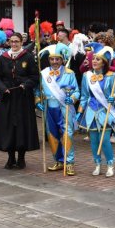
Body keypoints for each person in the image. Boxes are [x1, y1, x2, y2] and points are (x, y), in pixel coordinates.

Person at [0, 32, 40, 169]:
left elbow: (35, 76)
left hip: (23, 97)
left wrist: (26, 84)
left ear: (21, 42)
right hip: (7, 97)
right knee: (8, 127)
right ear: (8, 42)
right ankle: (10, 157)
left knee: (22, 126)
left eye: (17, 41)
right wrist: (2, 88)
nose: (14, 44)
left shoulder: (28, 57)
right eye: (12, 41)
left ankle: (21, 158)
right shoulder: (3, 58)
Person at [35, 44, 79, 175]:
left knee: (67, 135)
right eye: (52, 59)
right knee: (52, 136)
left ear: (62, 60)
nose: (54, 62)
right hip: (49, 108)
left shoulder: (69, 73)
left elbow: (76, 91)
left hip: (64, 108)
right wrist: (38, 101)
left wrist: (72, 98)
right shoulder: (43, 74)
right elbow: (38, 91)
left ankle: (69, 163)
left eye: (57, 59)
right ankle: (59, 161)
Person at [78, 49, 115, 177]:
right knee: (94, 141)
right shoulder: (86, 76)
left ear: (104, 62)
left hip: (105, 111)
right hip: (91, 111)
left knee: (105, 140)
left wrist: (113, 97)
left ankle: (110, 164)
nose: (94, 61)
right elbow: (84, 96)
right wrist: (80, 112)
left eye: (97, 59)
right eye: (93, 59)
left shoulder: (112, 76)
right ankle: (97, 164)